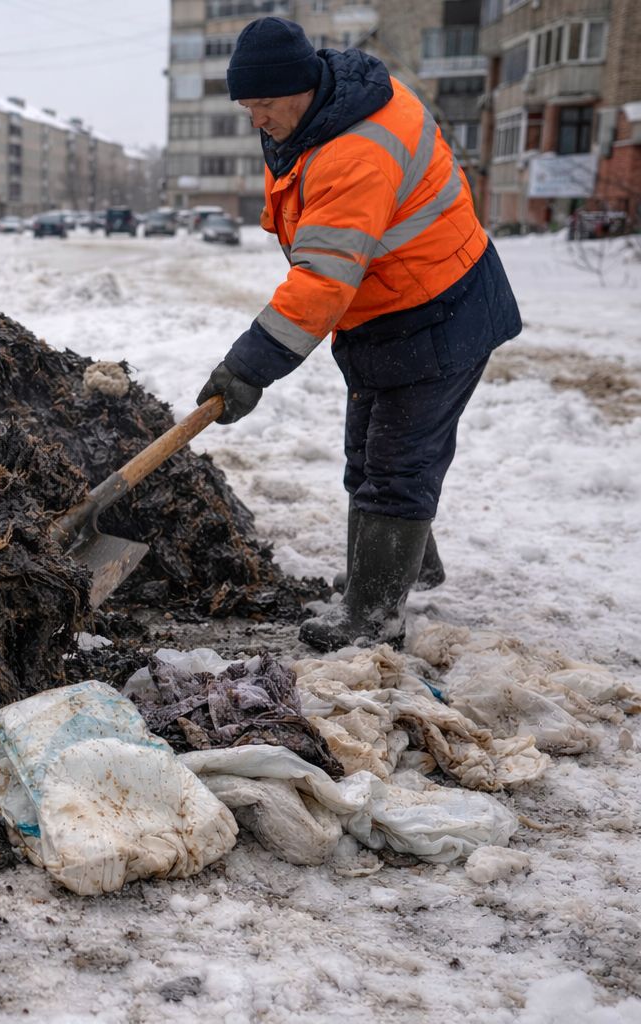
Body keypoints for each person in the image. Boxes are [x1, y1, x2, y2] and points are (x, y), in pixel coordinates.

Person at [195, 17, 521, 651]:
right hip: (388, 312)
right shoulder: (322, 112)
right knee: (368, 459)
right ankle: (403, 572)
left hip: (440, 313)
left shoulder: (355, 152)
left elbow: (321, 280)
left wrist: (246, 369)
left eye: (264, 104)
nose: (255, 119)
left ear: (302, 87)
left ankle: (371, 620)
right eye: (246, 106)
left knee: (396, 468)